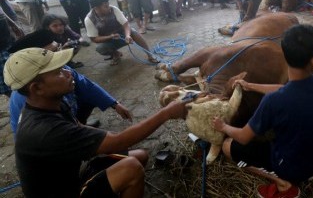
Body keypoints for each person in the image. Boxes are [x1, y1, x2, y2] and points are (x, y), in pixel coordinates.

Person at [3, 47, 189, 197]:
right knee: (131, 169)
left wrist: (95, 141)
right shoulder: (44, 130)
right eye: (59, 71)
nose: (69, 73)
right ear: (37, 88)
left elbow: (78, 127)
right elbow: (119, 141)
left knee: (140, 156)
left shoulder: (53, 103)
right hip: (65, 191)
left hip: (75, 173)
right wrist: (166, 113)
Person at [212, 24, 313, 198]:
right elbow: (287, 89)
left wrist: (223, 126)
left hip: (291, 167)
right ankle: (307, 172)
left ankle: (282, 182)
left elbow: (243, 136)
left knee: (227, 146)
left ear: (284, 56)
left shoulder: (273, 102)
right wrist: (251, 86)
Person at [7, 29, 132, 135]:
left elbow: (86, 86)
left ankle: (78, 125)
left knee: (87, 97)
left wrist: (114, 104)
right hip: (52, 141)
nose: (59, 54)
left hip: (64, 122)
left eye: (58, 49)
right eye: (53, 53)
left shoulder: (63, 69)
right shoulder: (27, 99)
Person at [84, 0, 158, 66]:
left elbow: (125, 24)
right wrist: (110, 36)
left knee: (133, 32)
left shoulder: (114, 9)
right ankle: (116, 54)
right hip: (108, 40)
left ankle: (150, 55)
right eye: (105, 6)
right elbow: (94, 39)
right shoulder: (89, 19)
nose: (108, 7)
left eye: (108, 4)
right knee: (101, 48)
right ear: (96, 8)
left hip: (122, 35)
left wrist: (128, 35)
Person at [0, 12, 16, 97]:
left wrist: (13, 25)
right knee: (6, 81)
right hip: (1, 50)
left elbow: (1, 12)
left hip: (8, 43)